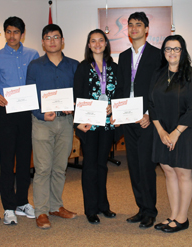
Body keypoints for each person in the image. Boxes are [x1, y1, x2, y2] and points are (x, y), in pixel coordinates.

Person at [26, 24, 78, 229]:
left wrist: (72, 106)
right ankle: (41, 211)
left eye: (56, 37)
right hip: (42, 123)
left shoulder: (74, 65)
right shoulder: (35, 66)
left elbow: (79, 93)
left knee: (59, 167)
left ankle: (56, 206)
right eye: (48, 38)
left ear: (62, 40)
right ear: (42, 42)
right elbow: (29, 96)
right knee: (42, 168)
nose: (52, 41)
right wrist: (40, 113)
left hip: (65, 122)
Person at [149, 35, 192, 233]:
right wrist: (162, 132)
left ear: (183, 51)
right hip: (162, 131)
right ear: (164, 52)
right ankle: (172, 214)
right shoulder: (158, 74)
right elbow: (151, 104)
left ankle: (182, 218)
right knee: (168, 172)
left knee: (182, 174)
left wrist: (175, 133)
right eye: (168, 49)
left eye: (176, 49)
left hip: (184, 131)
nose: (172, 52)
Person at [0, 16, 39, 225]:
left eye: (16, 32)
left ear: (22, 34)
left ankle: (22, 202)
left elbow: (37, 81)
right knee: (8, 160)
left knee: (25, 159)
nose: (12, 36)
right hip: (7, 113)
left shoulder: (33, 54)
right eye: (8, 31)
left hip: (27, 113)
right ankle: (8, 207)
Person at [117, 11, 161, 229]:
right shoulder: (123, 56)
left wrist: (150, 115)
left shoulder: (157, 55)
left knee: (146, 166)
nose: (134, 28)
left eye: (139, 25)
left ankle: (151, 210)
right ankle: (141, 208)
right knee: (133, 166)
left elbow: (160, 90)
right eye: (131, 25)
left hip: (146, 119)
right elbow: (122, 87)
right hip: (128, 118)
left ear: (146, 29)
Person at [74, 29, 120, 224]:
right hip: (89, 124)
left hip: (108, 124)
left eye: (101, 40)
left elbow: (120, 92)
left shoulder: (114, 67)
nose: (97, 44)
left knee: (102, 165)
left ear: (106, 43)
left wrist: (115, 106)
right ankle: (90, 209)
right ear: (89, 45)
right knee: (90, 166)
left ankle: (103, 205)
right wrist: (78, 123)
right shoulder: (83, 67)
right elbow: (77, 96)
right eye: (93, 41)